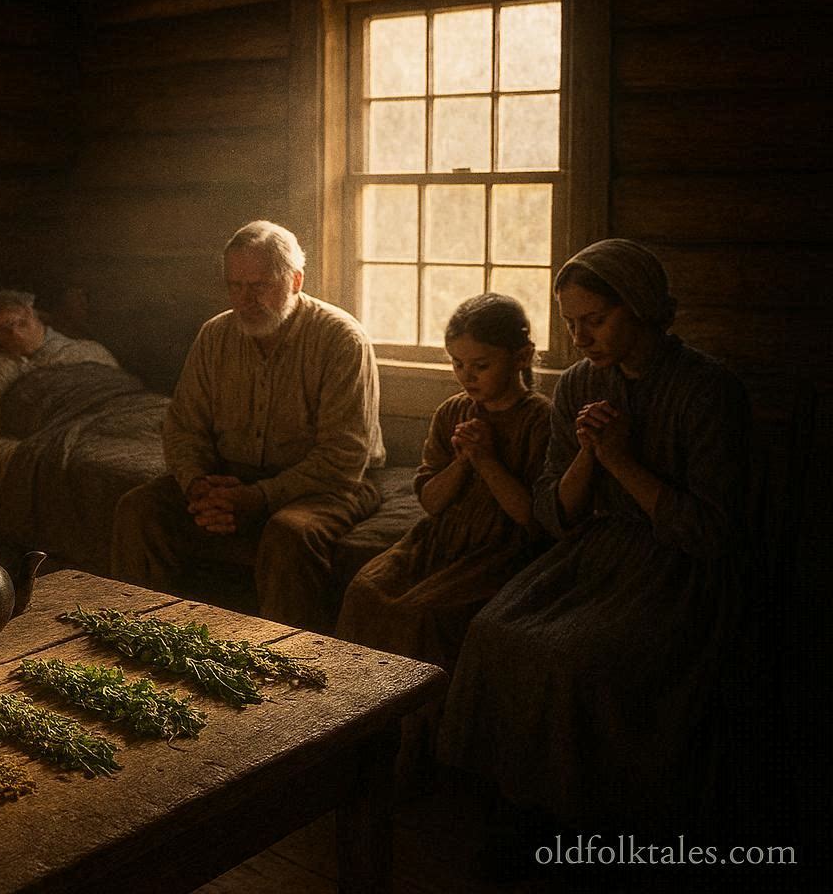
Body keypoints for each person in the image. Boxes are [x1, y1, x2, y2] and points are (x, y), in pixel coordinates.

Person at [438, 239, 750, 843]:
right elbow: (554, 513)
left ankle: (586, 826)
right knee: (492, 631)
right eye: (570, 324)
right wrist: (588, 456)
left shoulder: (709, 390)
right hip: (595, 551)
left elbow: (710, 532)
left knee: (572, 657)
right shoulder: (580, 383)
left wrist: (622, 461)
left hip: (676, 565)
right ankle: (509, 807)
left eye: (596, 320)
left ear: (639, 308)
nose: (581, 337)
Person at [110, 220, 386, 631]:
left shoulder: (341, 339)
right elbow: (184, 428)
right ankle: (140, 636)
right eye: (235, 286)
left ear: (295, 280)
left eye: (259, 286)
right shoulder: (215, 335)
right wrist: (199, 486)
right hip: (232, 475)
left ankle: (291, 662)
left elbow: (343, 457)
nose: (245, 300)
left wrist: (257, 498)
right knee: (138, 509)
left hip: (330, 483)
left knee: (289, 535)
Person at [336, 293, 552, 779]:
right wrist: (461, 461)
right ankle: (357, 733)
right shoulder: (453, 412)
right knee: (365, 591)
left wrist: (488, 461)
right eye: (457, 363)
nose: (467, 375)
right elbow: (432, 502)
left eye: (480, 364)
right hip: (437, 538)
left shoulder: (540, 419)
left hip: (497, 550)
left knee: (420, 617)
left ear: (519, 358)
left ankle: (416, 755)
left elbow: (531, 518)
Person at [0, 288, 117, 367]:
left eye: (22, 323)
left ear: (36, 317)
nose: (16, 334)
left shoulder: (78, 351)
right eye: (3, 330)